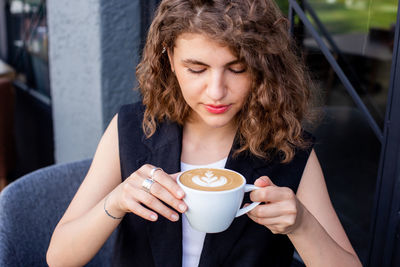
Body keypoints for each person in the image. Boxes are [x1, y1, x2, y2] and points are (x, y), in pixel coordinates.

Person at [47, 0, 362, 266]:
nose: (216, 91)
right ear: (169, 59)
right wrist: (115, 203)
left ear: (262, 66)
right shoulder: (131, 128)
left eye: (237, 68)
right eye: (196, 69)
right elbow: (58, 257)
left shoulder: (288, 147)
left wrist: (302, 226)